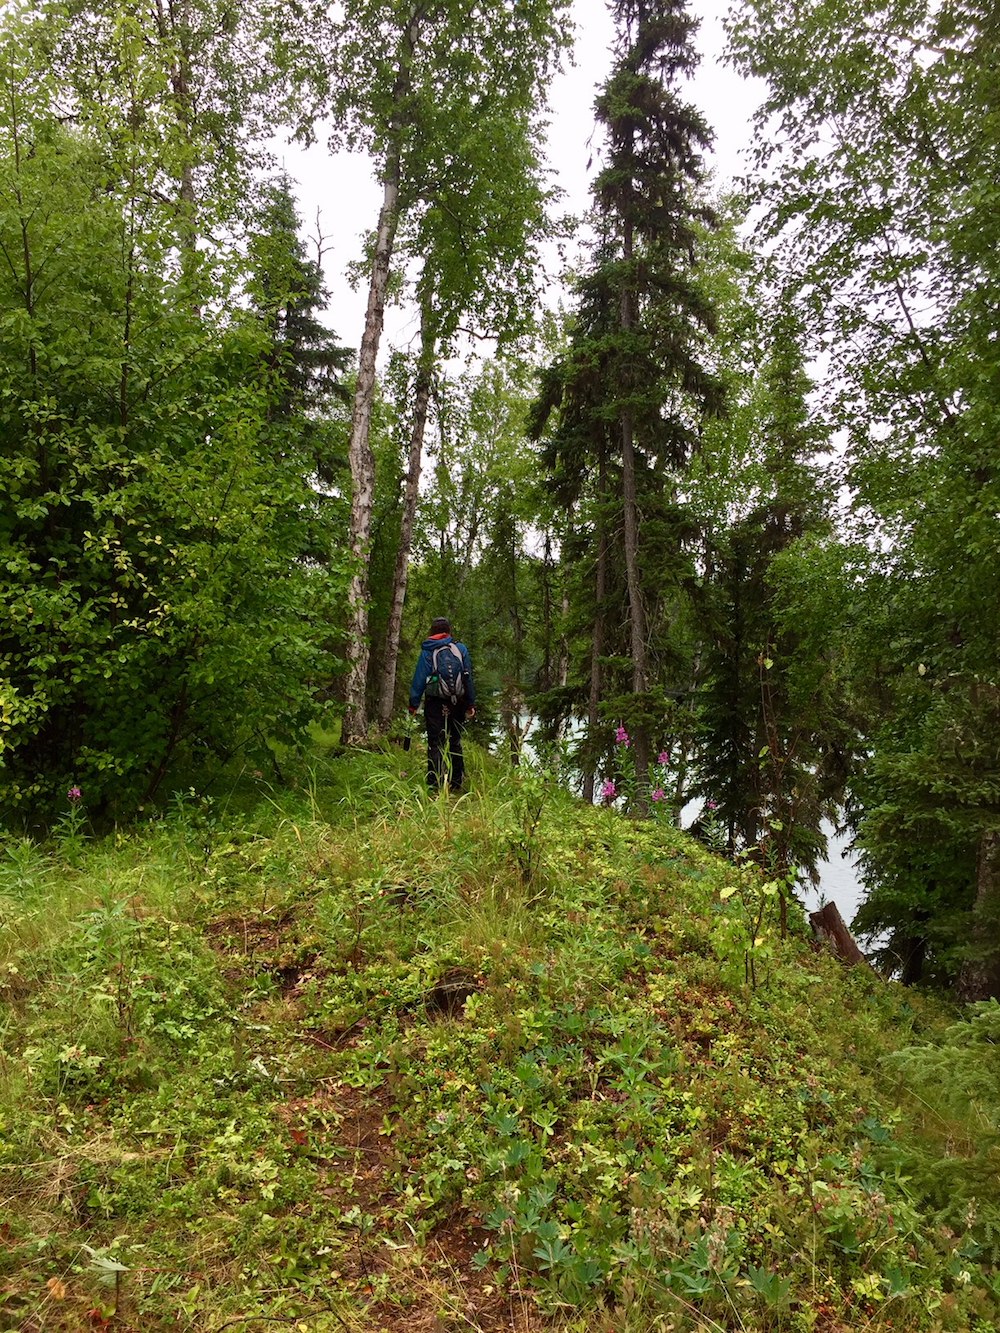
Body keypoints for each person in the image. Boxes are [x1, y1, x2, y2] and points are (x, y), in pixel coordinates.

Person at [408, 617, 476, 793]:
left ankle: (435, 783)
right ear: (448, 631)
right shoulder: (460, 649)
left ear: (432, 631)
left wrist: (413, 704)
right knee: (455, 741)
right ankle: (457, 782)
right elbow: (468, 677)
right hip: (458, 702)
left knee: (435, 742)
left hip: (435, 703)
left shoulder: (428, 651)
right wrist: (470, 703)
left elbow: (420, 679)